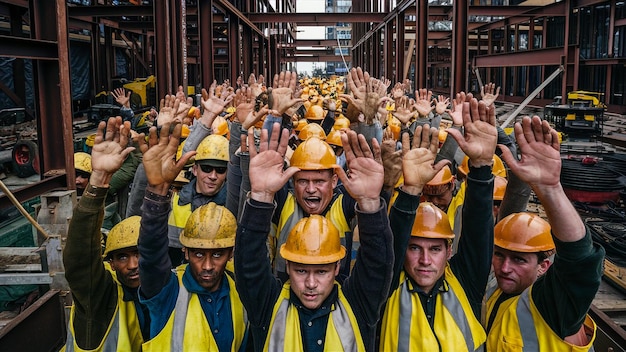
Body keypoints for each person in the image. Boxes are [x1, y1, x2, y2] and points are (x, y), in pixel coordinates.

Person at [235, 124, 393, 351]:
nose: (310, 284)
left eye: (321, 271)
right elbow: (248, 265)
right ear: (288, 266)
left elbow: (378, 265)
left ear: (337, 268)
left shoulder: (358, 306)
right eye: (301, 270)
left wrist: (370, 202)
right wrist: (261, 196)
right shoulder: (267, 307)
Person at [379, 97, 497, 351]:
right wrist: (410, 190)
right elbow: (390, 243)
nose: (425, 260)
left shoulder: (465, 283)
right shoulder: (386, 290)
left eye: (435, 249)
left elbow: (478, 231)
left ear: (448, 251)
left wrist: (481, 167)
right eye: (414, 248)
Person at [485, 116, 604, 351]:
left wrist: (550, 190)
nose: (505, 267)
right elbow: (505, 223)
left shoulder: (555, 306)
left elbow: (580, 262)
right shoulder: (495, 288)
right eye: (500, 255)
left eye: (520, 259)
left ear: (544, 266)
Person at [136, 123, 248, 351]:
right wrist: (157, 195)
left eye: (217, 254)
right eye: (198, 253)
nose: (207, 266)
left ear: (230, 253)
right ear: (186, 252)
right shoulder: (167, 293)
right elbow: (150, 254)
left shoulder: (241, 292)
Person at [63, 117, 148, 351]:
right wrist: (98, 181)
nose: (132, 265)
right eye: (122, 257)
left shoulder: (168, 294)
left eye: (139, 254)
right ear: (109, 262)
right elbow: (80, 261)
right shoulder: (100, 300)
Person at [166, 133, 230, 266]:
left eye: (220, 170)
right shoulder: (175, 199)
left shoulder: (232, 206)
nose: (213, 176)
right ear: (195, 170)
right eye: (206, 169)